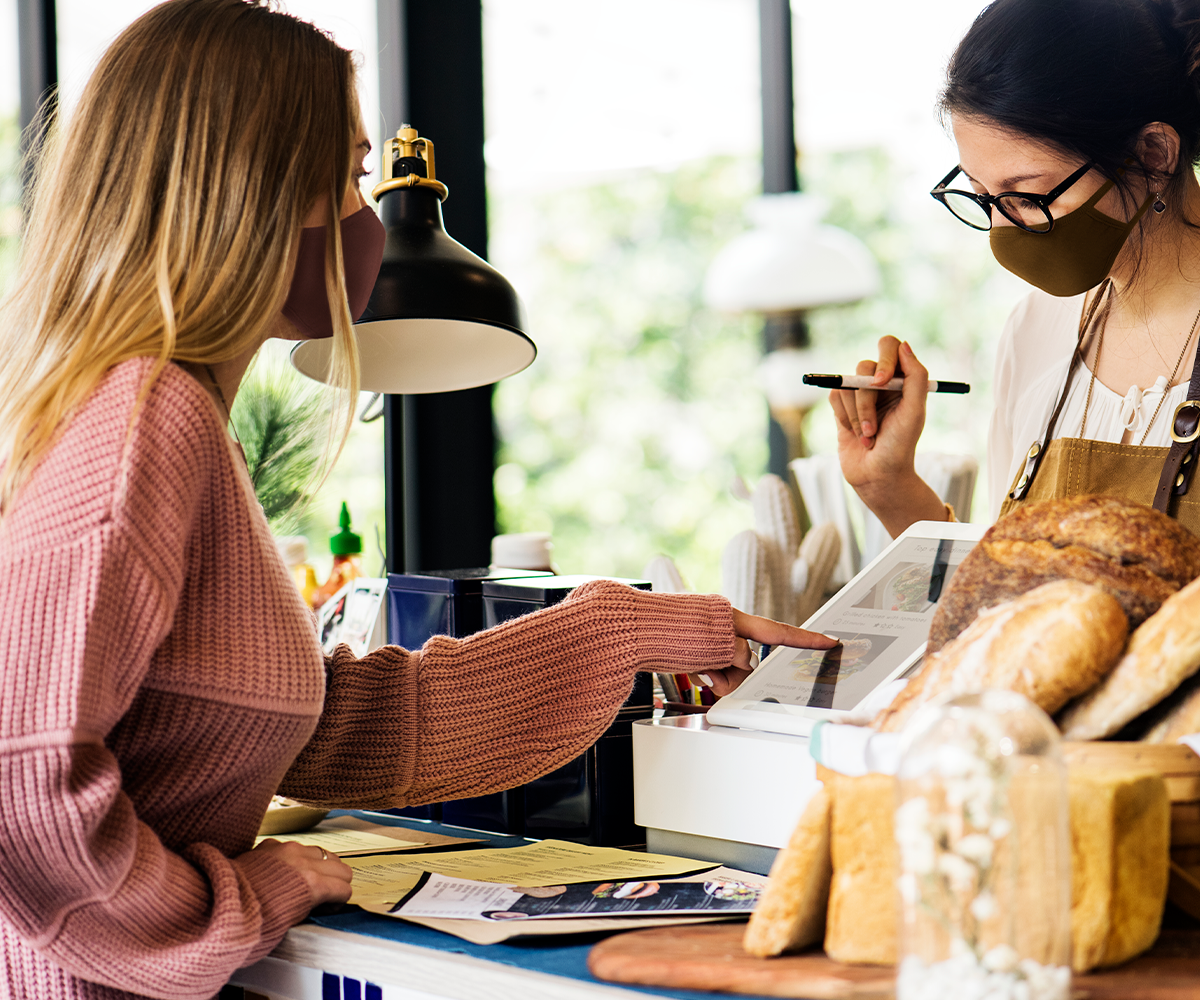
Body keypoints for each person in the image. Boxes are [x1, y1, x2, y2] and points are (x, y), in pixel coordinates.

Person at [0, 2, 836, 998]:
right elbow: (23, 777)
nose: (368, 216)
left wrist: (616, 631)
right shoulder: (146, 421)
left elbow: (324, 726)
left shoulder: (151, 415)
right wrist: (234, 902)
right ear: (256, 187)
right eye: (352, 174)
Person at [832, 0, 1200, 538]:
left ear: (1152, 155)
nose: (1005, 231)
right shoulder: (1037, 330)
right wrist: (888, 486)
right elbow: (1005, 598)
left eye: (1026, 196)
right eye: (983, 196)